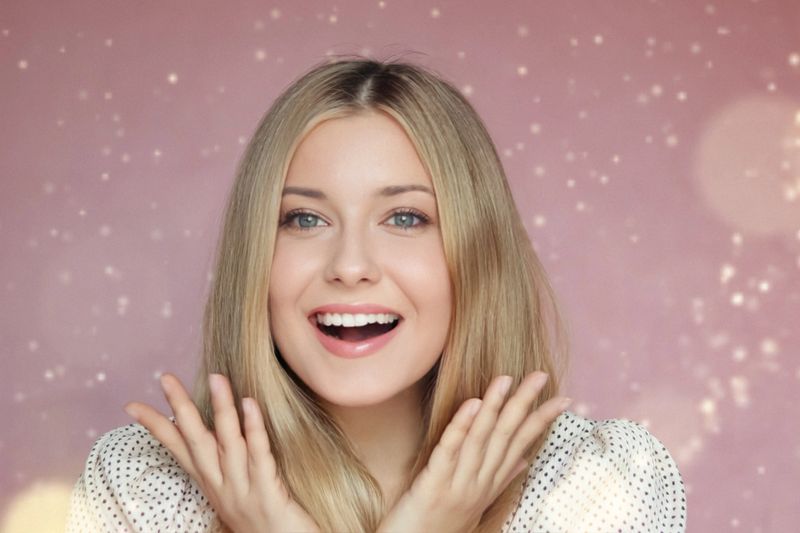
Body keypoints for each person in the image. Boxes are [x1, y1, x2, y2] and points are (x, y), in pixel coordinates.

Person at [66, 56, 687, 532]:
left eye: (406, 218)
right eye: (306, 220)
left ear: (476, 254)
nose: (351, 266)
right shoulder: (145, 486)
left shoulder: (600, 484)